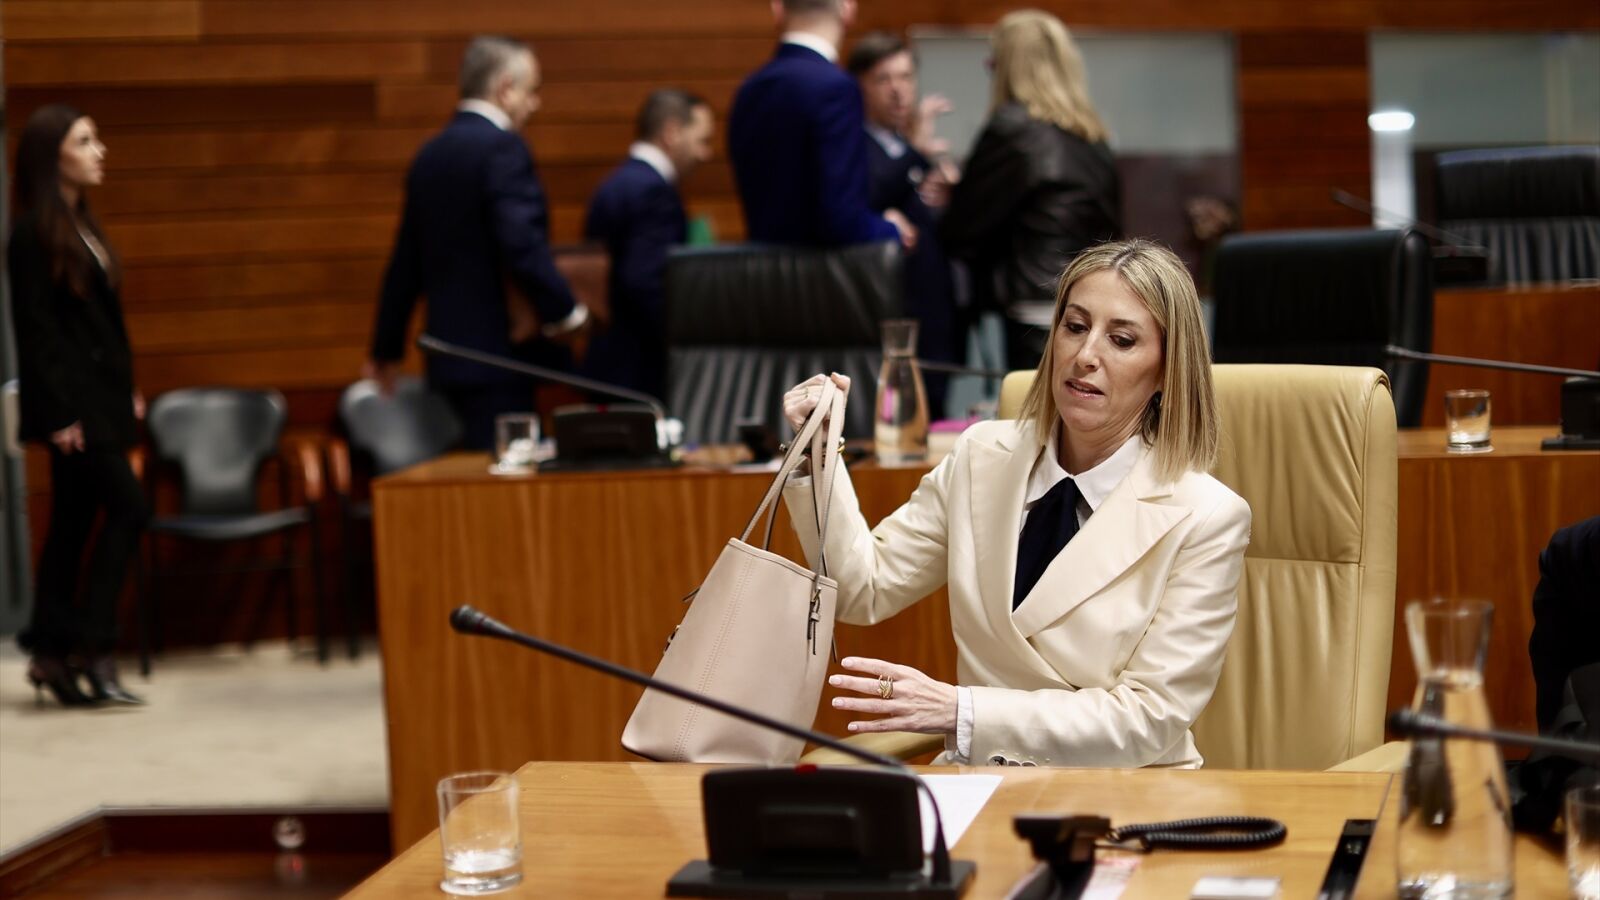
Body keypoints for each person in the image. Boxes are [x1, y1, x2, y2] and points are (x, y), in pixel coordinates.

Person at [780, 239, 1250, 767]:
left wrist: (962, 711)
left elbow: (1149, 718)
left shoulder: (1207, 516)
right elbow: (862, 588)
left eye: (1121, 340)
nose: (1085, 355)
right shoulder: (981, 455)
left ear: (1166, 370)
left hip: (1121, 785)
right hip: (980, 778)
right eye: (1074, 327)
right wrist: (818, 457)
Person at [366, 35, 589, 450]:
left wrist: (386, 348)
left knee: (473, 469)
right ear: (505, 88)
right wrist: (565, 312)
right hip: (500, 354)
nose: (535, 103)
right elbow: (521, 244)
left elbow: (406, 262)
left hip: (449, 356)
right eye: (531, 90)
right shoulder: (503, 148)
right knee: (508, 472)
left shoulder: (430, 154)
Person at [8, 105, 148, 707]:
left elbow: (102, 326)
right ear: (53, 156)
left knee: (71, 522)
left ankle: (50, 651)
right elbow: (36, 331)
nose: (100, 151)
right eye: (85, 141)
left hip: (104, 399)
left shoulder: (82, 223)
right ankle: (96, 645)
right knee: (130, 507)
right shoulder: (31, 233)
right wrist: (59, 412)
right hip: (74, 409)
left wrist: (127, 385)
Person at [943, 9, 1122, 371]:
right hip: (1089, 297)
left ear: (1008, 66)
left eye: (993, 62)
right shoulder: (1093, 136)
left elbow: (961, 229)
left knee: (1034, 404)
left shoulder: (1013, 130)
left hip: (1033, 303)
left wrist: (954, 193)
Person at [727, 0, 914, 248]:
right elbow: (841, 221)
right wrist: (891, 230)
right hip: (818, 267)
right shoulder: (836, 88)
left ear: (777, 10)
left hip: (761, 264)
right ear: (848, 10)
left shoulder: (749, 89)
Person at [847, 33, 962, 416]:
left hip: (933, 307)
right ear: (860, 85)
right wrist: (917, 152)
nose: (898, 90)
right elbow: (869, 194)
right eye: (884, 79)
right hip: (891, 311)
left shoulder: (905, 147)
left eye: (906, 77)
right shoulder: (854, 145)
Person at [581, 89, 714, 399]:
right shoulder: (653, 191)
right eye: (702, 140)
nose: (705, 153)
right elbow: (645, 281)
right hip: (638, 368)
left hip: (609, 359)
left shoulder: (616, 183)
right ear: (672, 132)